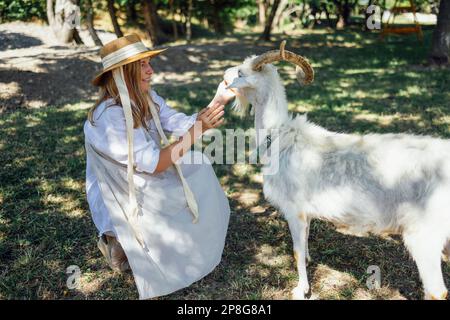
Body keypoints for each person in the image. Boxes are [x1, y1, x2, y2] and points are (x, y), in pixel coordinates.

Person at [84, 34, 235, 299]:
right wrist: (199, 128)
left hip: (148, 170)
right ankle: (115, 239)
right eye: (142, 65)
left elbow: (182, 123)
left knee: (199, 164)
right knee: (175, 184)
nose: (150, 70)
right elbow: (154, 164)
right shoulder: (109, 117)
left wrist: (219, 99)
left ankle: (186, 242)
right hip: (125, 187)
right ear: (123, 73)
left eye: (148, 63)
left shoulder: (147, 97)